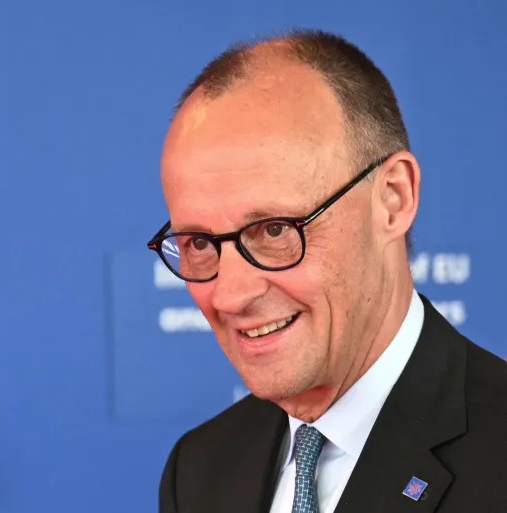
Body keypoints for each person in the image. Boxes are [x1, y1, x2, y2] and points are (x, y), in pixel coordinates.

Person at [148, 29, 507, 513]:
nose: (229, 295)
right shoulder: (198, 469)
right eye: (197, 243)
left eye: (274, 230)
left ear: (392, 199)